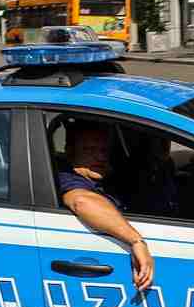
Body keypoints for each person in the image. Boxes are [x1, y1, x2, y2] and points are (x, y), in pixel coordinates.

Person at [57, 121, 155, 292]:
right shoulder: (69, 179)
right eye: (89, 150)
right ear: (70, 152)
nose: (100, 157)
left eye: (103, 151)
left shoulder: (105, 178)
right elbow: (82, 201)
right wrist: (136, 241)